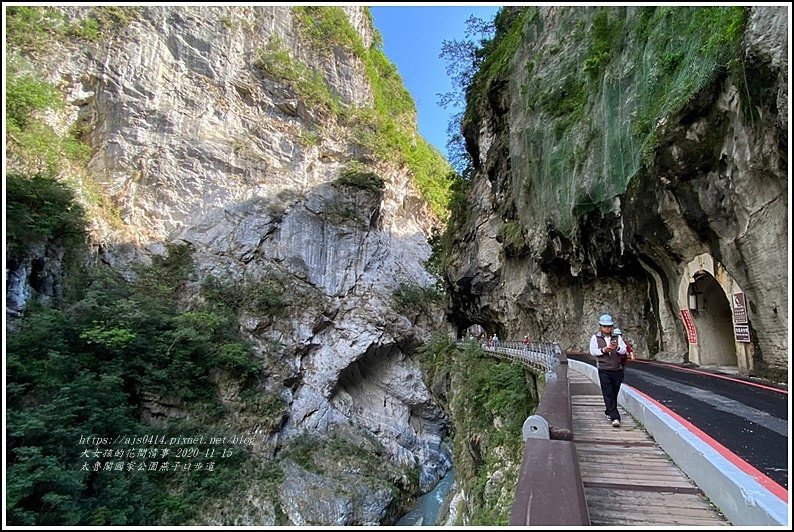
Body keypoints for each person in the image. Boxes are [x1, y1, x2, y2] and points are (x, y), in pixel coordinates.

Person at [589, 314, 628, 428]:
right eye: (605, 326)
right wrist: (604, 350)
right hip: (604, 368)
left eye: (609, 326)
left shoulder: (617, 337)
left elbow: (624, 349)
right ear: (600, 326)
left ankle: (609, 411)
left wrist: (617, 348)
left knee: (614, 392)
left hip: (617, 369)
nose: (607, 328)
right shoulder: (595, 338)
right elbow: (593, 351)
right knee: (608, 392)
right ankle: (615, 417)